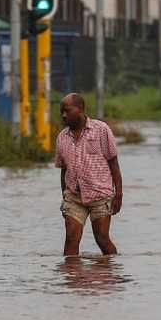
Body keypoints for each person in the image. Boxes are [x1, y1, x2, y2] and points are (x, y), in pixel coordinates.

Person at [54, 92, 123, 256]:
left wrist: (118, 194)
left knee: (102, 239)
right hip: (74, 197)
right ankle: (72, 279)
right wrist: (65, 196)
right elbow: (64, 169)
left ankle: (112, 273)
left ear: (80, 109)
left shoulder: (101, 130)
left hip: (100, 195)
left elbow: (114, 163)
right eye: (62, 112)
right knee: (70, 240)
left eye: (68, 111)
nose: (64, 115)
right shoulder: (62, 137)